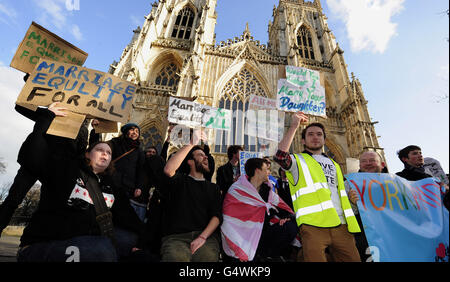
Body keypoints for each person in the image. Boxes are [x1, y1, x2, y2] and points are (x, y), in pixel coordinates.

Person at [16, 103, 144, 262]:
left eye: (109, 152)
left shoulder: (110, 185)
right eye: (100, 150)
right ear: (87, 154)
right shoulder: (65, 170)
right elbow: (32, 155)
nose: (105, 153)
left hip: (85, 238)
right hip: (46, 242)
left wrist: (150, 242)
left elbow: (128, 216)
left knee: (131, 242)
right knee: (102, 250)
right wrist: (47, 117)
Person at [274, 111, 361, 262]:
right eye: (310, 134)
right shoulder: (298, 161)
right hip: (313, 225)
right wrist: (294, 125)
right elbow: (280, 157)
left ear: (324, 139)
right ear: (303, 140)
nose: (315, 137)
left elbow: (338, 193)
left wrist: (352, 202)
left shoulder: (335, 164)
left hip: (341, 224)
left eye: (319, 134)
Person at [160, 129, 222, 262]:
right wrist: (192, 143)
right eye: (200, 155)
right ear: (190, 161)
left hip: (205, 237)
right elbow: (168, 169)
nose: (206, 157)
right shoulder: (180, 181)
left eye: (206, 156)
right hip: (177, 238)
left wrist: (202, 237)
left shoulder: (213, 188)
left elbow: (216, 216)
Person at [221, 158, 297, 262]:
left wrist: (286, 218)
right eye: (266, 169)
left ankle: (267, 255)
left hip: (262, 235)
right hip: (241, 238)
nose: (269, 172)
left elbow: (285, 209)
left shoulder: (267, 191)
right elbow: (228, 220)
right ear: (258, 171)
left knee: (291, 226)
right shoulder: (237, 190)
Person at [346, 150, 386, 262]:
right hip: (366, 238)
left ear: (382, 164)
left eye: (372, 160)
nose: (368, 163)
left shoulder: (394, 183)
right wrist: (353, 204)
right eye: (364, 161)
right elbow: (343, 213)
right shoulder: (349, 184)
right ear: (359, 165)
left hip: (391, 235)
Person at [107, 123, 147, 222]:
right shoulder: (115, 143)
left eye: (137, 131)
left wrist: (139, 187)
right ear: (125, 132)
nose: (135, 133)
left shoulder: (139, 151)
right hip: (110, 181)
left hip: (127, 186)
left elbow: (141, 170)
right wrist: (96, 130)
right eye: (132, 130)